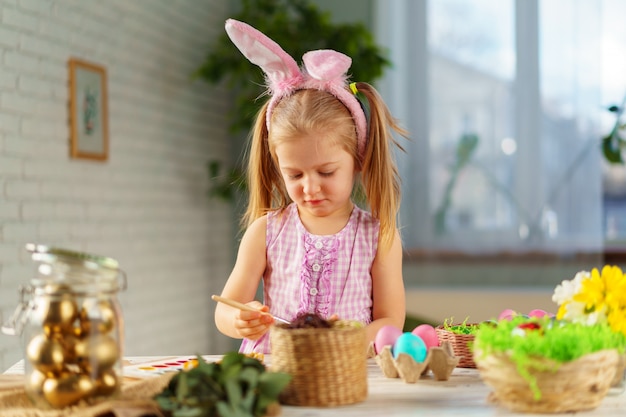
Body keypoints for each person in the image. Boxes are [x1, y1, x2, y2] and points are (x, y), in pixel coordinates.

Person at [214, 19, 407, 354]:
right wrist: (239, 320)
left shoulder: (380, 237)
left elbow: (390, 321)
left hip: (345, 377)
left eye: (327, 172)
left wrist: (346, 342)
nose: (311, 187)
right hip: (275, 375)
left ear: (358, 159)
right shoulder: (265, 232)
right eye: (295, 175)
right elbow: (225, 308)